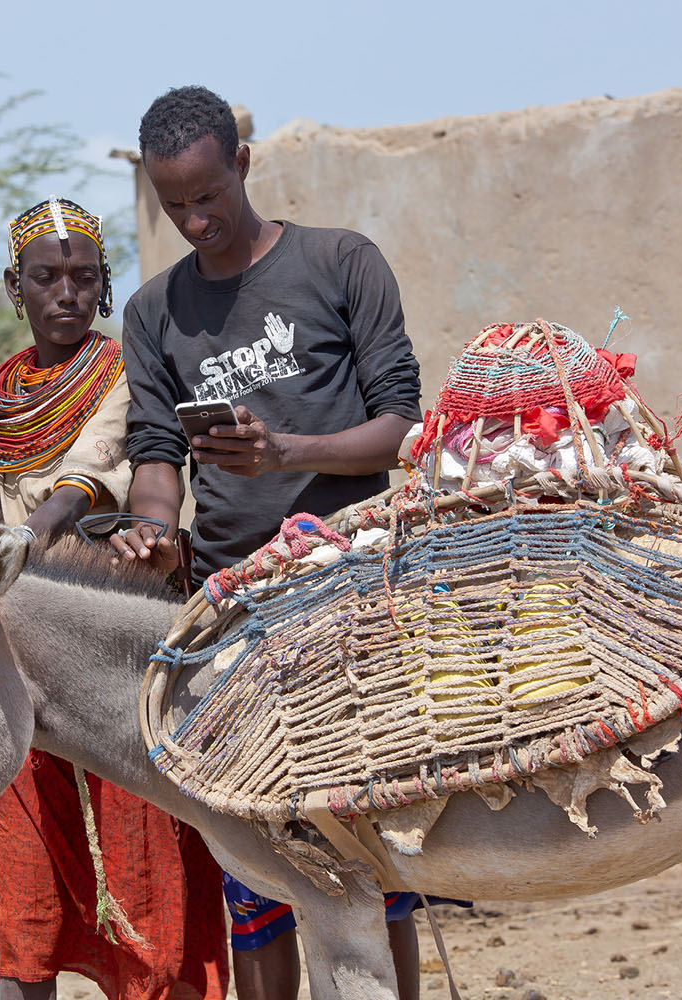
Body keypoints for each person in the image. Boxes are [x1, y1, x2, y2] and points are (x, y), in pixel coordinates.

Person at [111, 86, 430, 1000]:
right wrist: (150, 524)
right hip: (231, 604)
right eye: (174, 205)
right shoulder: (154, 311)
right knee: (250, 853)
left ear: (243, 164)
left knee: (362, 847)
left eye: (208, 195)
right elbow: (157, 454)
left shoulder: (341, 262)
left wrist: (284, 451)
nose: (195, 219)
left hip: (351, 586)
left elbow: (401, 426)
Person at [0, 198, 229, 1000]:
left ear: (106, 287)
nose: (66, 293)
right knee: (32, 865)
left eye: (84, 277)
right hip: (21, 650)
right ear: (18, 286)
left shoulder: (126, 373)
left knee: (143, 852)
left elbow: (93, 476)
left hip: (112, 645)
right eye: (46, 277)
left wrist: (29, 537)